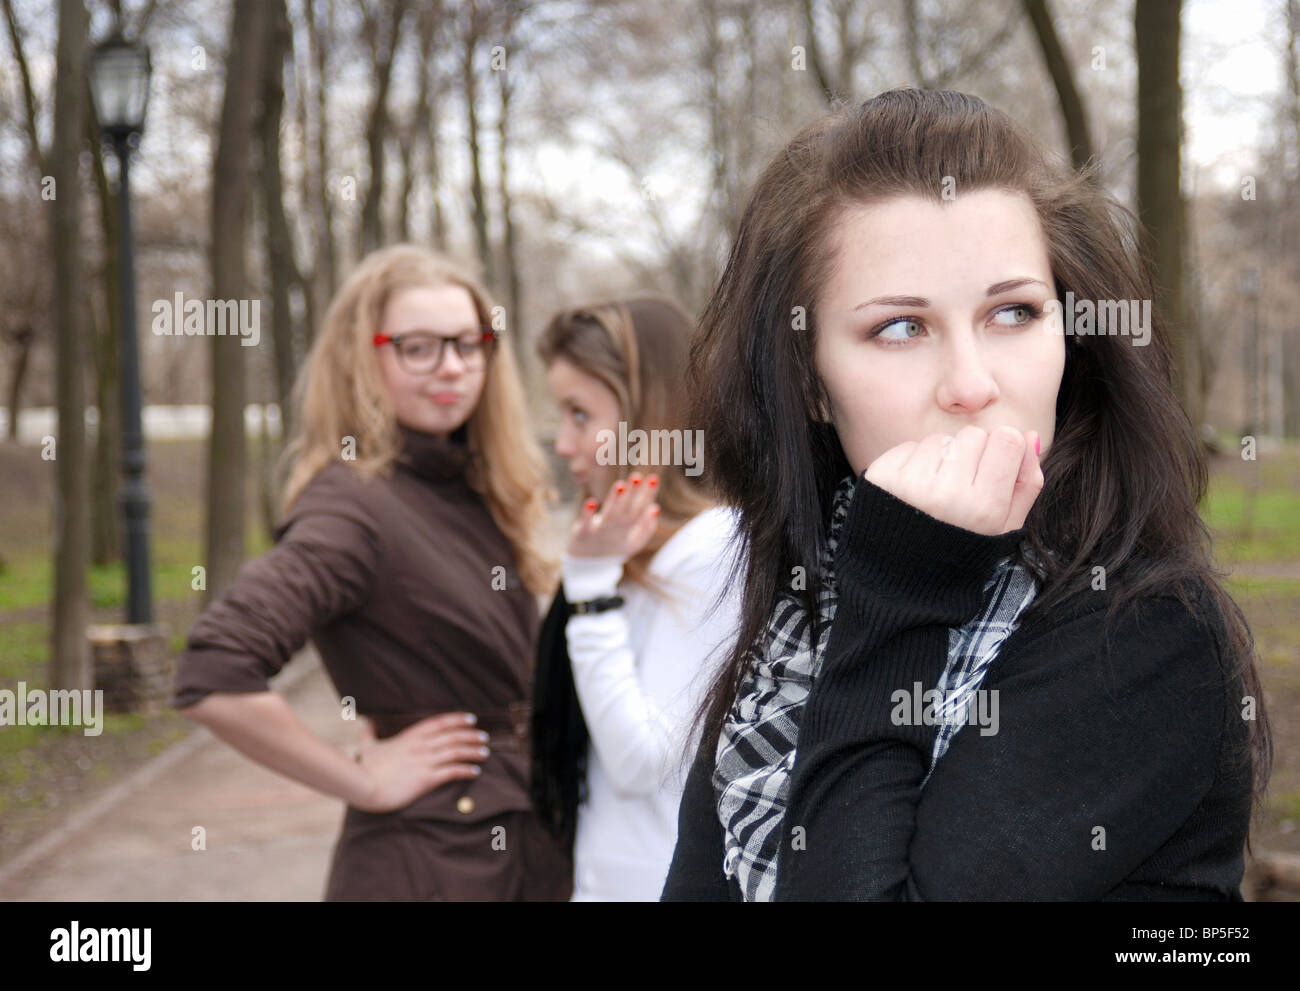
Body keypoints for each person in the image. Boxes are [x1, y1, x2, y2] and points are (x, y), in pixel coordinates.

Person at [661, 88, 1272, 901]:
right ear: (809, 381)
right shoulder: (797, 622)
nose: (972, 384)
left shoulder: (1144, 632)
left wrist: (899, 595)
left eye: (1014, 312)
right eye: (901, 327)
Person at [173, 243, 573, 901]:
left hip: (512, 846)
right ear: (363, 356)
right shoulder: (352, 504)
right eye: (418, 346)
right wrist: (362, 779)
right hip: (434, 866)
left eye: (467, 343)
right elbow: (213, 672)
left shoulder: (467, 483)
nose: (451, 366)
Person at [530, 297, 742, 900]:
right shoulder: (631, 553)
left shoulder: (713, 548)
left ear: (647, 416)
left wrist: (590, 590)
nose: (564, 445)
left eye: (579, 415)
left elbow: (642, 759)